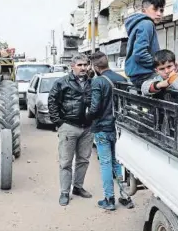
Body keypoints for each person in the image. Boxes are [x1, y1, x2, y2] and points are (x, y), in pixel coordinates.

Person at [87, 51, 134, 211]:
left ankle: (109, 199)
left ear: (95, 66)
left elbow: (94, 108)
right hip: (119, 129)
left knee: (106, 163)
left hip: (102, 128)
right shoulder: (121, 79)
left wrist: (86, 116)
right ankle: (125, 196)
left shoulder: (97, 82)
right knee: (117, 162)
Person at [48, 55, 93, 207]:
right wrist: (59, 122)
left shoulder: (91, 82)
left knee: (84, 160)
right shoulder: (62, 83)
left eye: (85, 65)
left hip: (87, 128)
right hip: (69, 126)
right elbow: (52, 101)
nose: (83, 68)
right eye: (80, 65)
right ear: (72, 66)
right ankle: (65, 192)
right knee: (66, 162)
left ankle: (78, 187)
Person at [124, 0, 165, 88]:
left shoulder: (139, 23)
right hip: (145, 75)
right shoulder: (147, 23)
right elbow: (140, 53)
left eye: (161, 10)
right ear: (144, 10)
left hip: (137, 74)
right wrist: (158, 65)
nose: (159, 13)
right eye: (155, 9)